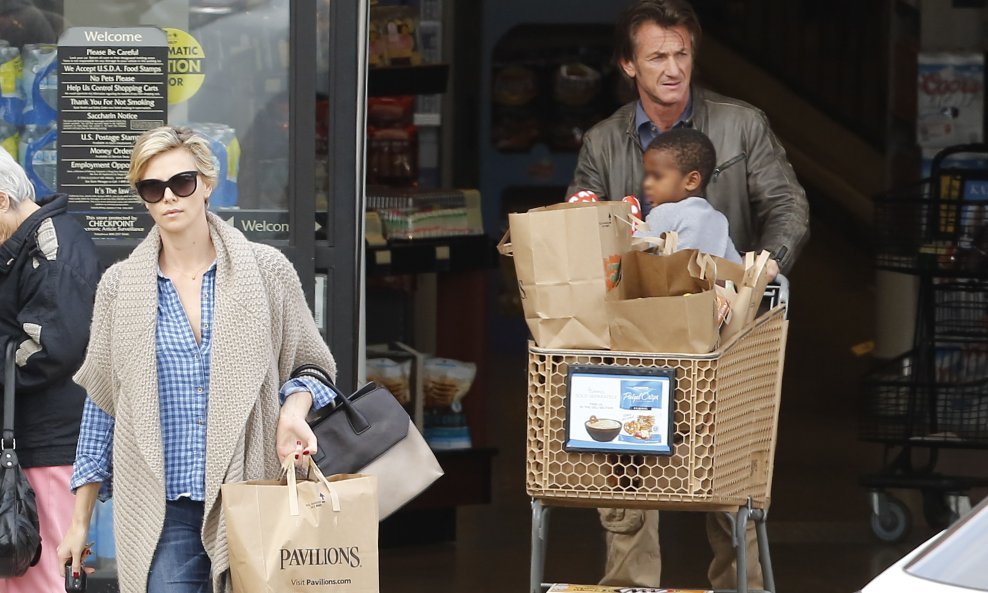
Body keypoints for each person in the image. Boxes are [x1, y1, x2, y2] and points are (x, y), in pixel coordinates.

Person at [567, 0, 810, 589]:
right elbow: (575, 227)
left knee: (730, 488)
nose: (673, 69)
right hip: (633, 339)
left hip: (727, 331)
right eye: (657, 57)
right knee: (628, 487)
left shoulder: (741, 125)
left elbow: (788, 206)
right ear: (629, 65)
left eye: (683, 54)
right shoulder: (604, 141)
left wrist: (763, 267)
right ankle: (630, 590)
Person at [55, 126, 338, 593]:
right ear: (143, 198)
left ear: (207, 183)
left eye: (182, 182)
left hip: (258, 494)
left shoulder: (266, 272)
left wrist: (292, 411)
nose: (169, 197)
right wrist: (79, 523)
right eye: (152, 187)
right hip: (164, 511)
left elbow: (314, 366)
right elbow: (102, 407)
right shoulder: (120, 288)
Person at [0, 146, 102, 593]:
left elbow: (50, 349)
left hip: (47, 447)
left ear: (0, 200)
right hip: (23, 444)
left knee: (40, 576)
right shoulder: (22, 243)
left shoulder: (53, 244)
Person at [633, 128, 742, 263]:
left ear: (691, 181)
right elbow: (737, 267)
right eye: (647, 175)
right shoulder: (719, 220)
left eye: (657, 176)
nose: (647, 184)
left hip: (669, 284)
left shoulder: (665, 213)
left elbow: (631, 254)